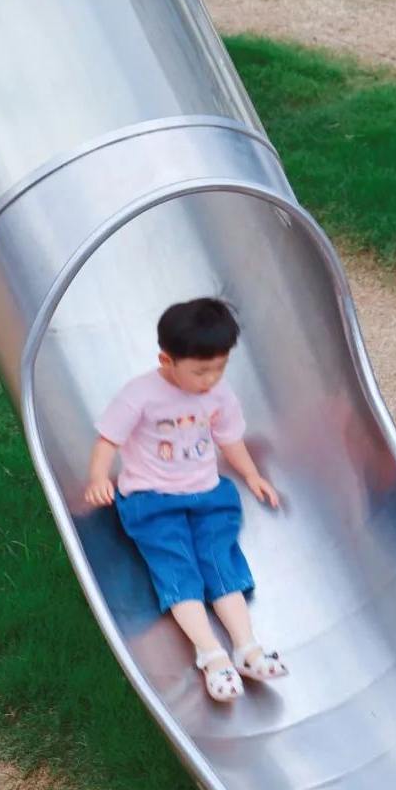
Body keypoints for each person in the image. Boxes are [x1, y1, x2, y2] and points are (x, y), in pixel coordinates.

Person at [84, 297, 288, 703]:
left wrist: (251, 474)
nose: (210, 379)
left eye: (219, 368)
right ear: (166, 360)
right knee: (177, 567)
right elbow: (109, 439)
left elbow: (229, 439)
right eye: (200, 371)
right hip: (152, 500)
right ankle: (211, 654)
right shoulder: (140, 395)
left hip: (207, 494)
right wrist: (97, 478)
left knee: (219, 560)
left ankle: (247, 647)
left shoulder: (218, 395)